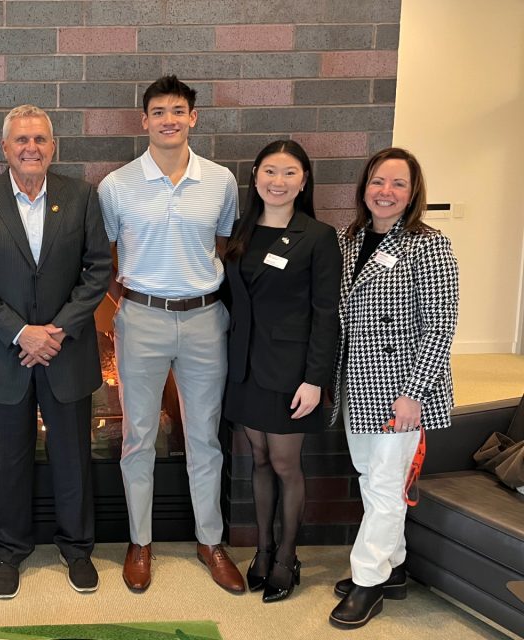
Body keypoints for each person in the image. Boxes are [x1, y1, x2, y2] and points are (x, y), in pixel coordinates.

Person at [0, 105, 112, 599]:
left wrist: (57, 331)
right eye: (21, 140)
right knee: (6, 460)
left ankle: (77, 548)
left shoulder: (81, 197)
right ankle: (9, 550)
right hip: (7, 355)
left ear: (53, 146)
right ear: (5, 148)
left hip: (67, 354)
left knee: (72, 459)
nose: (31, 148)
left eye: (40, 139)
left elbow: (98, 270)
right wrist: (21, 332)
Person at [98, 75, 244, 593]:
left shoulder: (221, 181)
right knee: (138, 437)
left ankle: (211, 540)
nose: (168, 119)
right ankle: (140, 542)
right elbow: (107, 255)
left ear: (193, 117)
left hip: (205, 319)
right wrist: (134, 303)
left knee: (204, 435)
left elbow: (223, 242)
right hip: (142, 318)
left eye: (178, 110)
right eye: (158, 111)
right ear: (144, 120)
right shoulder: (116, 185)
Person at [328, 148, 459, 629]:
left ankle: (368, 584)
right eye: (378, 181)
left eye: (398, 184)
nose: (386, 191)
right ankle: (395, 567)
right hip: (356, 383)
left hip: (400, 388)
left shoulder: (429, 245)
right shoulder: (349, 238)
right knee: (371, 478)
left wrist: (415, 394)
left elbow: (441, 325)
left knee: (384, 486)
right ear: (364, 187)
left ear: (412, 192)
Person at [222, 140, 341, 602]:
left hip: (293, 372)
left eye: (289, 173)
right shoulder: (241, 230)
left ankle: (288, 556)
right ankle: (263, 549)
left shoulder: (317, 235)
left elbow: (326, 312)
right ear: (255, 176)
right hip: (246, 367)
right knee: (260, 460)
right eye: (270, 171)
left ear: (304, 181)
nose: (278, 181)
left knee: (287, 464)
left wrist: (316, 379)